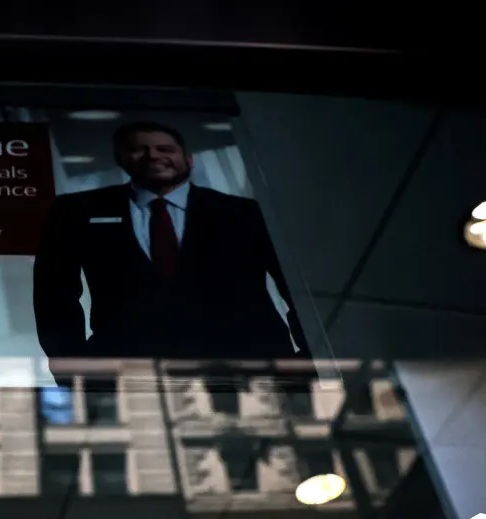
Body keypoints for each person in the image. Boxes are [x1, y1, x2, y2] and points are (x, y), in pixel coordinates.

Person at [33, 121, 309, 362]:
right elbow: (54, 296)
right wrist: (73, 369)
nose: (153, 155)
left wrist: (310, 360)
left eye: (165, 149)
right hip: (131, 374)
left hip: (253, 367)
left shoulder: (247, 213)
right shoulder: (77, 210)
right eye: (139, 149)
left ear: (189, 159)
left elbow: (298, 290)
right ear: (121, 159)